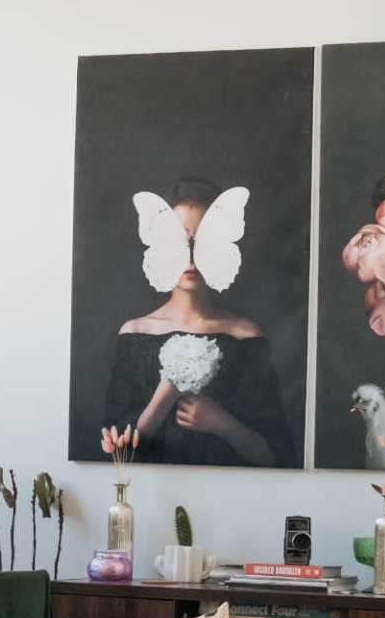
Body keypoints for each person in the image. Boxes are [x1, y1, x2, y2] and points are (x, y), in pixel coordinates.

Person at [99, 177, 285, 467]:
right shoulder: (135, 334)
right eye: (179, 239)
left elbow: (273, 455)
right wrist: (166, 394)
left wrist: (222, 424)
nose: (190, 254)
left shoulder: (244, 337)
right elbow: (115, 458)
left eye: (201, 240)